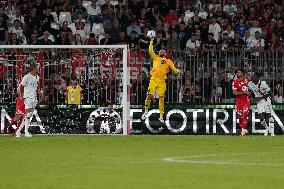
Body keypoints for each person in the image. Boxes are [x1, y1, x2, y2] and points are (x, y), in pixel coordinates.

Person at [141, 38, 179, 122]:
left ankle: (161, 116)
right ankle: (146, 111)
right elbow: (150, 50)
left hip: (162, 81)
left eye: (163, 51)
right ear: (159, 53)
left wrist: (176, 71)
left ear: (165, 54)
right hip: (154, 79)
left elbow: (173, 68)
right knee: (149, 95)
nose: (161, 51)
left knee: (161, 97)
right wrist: (151, 40)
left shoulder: (168, 61)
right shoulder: (155, 58)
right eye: (160, 51)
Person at [16, 64, 40, 137]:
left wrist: (39, 94)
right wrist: (21, 96)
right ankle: (26, 132)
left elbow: (37, 87)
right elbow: (20, 87)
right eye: (37, 68)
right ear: (33, 69)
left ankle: (18, 131)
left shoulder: (37, 77)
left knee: (28, 115)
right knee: (28, 114)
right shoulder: (26, 77)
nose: (38, 70)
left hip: (34, 98)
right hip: (27, 97)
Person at [232, 68, 251, 136]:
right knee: (240, 116)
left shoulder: (248, 81)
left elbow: (253, 89)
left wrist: (250, 93)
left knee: (245, 113)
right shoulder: (235, 82)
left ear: (243, 73)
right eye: (237, 72)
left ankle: (243, 131)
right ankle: (243, 128)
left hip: (246, 100)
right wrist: (244, 92)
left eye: (239, 72)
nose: (238, 74)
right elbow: (234, 93)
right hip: (238, 101)